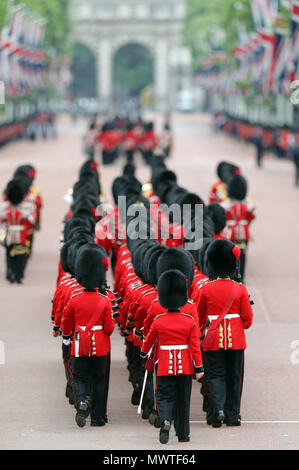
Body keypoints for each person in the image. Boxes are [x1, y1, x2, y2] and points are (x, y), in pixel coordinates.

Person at [141, 269, 204, 444]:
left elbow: (149, 340)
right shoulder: (189, 320)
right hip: (184, 365)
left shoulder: (159, 320)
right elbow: (195, 346)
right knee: (183, 399)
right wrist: (199, 368)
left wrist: (143, 353)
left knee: (163, 395)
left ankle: (166, 419)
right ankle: (183, 434)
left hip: (163, 366)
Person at [197, 239, 253, 427]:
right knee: (235, 376)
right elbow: (248, 321)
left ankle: (217, 410)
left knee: (215, 376)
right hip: (236, 340)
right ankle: (232, 415)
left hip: (213, 339)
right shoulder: (240, 289)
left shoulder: (205, 289)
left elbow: (199, 318)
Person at [61, 244, 115, 428]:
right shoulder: (105, 300)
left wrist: (66, 338)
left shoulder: (74, 299)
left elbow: (67, 324)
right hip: (100, 345)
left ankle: (82, 400)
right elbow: (109, 328)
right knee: (99, 380)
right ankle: (98, 418)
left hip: (79, 344)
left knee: (79, 377)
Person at [0, 178, 36, 283]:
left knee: (9, 255)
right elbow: (31, 221)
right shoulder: (27, 207)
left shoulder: (5, 207)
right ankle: (18, 275)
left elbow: (2, 219)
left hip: (9, 234)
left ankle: (10, 271)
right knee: (21, 256)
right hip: (22, 235)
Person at [221, 174, 255, 281]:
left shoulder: (225, 206)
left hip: (230, 234)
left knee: (230, 256)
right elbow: (250, 219)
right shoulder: (248, 206)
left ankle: (231, 276)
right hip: (243, 234)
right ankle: (241, 278)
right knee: (242, 255)